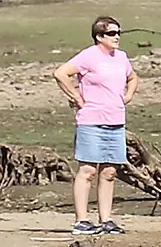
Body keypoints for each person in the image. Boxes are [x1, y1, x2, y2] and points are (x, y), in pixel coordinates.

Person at [56, 15, 138, 234]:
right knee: (88, 170)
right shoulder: (88, 56)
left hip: (116, 120)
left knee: (110, 171)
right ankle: (81, 220)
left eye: (119, 32)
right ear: (99, 36)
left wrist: (128, 95)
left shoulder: (121, 57)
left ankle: (106, 220)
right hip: (91, 120)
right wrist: (76, 97)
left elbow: (133, 77)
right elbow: (61, 73)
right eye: (112, 33)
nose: (117, 37)